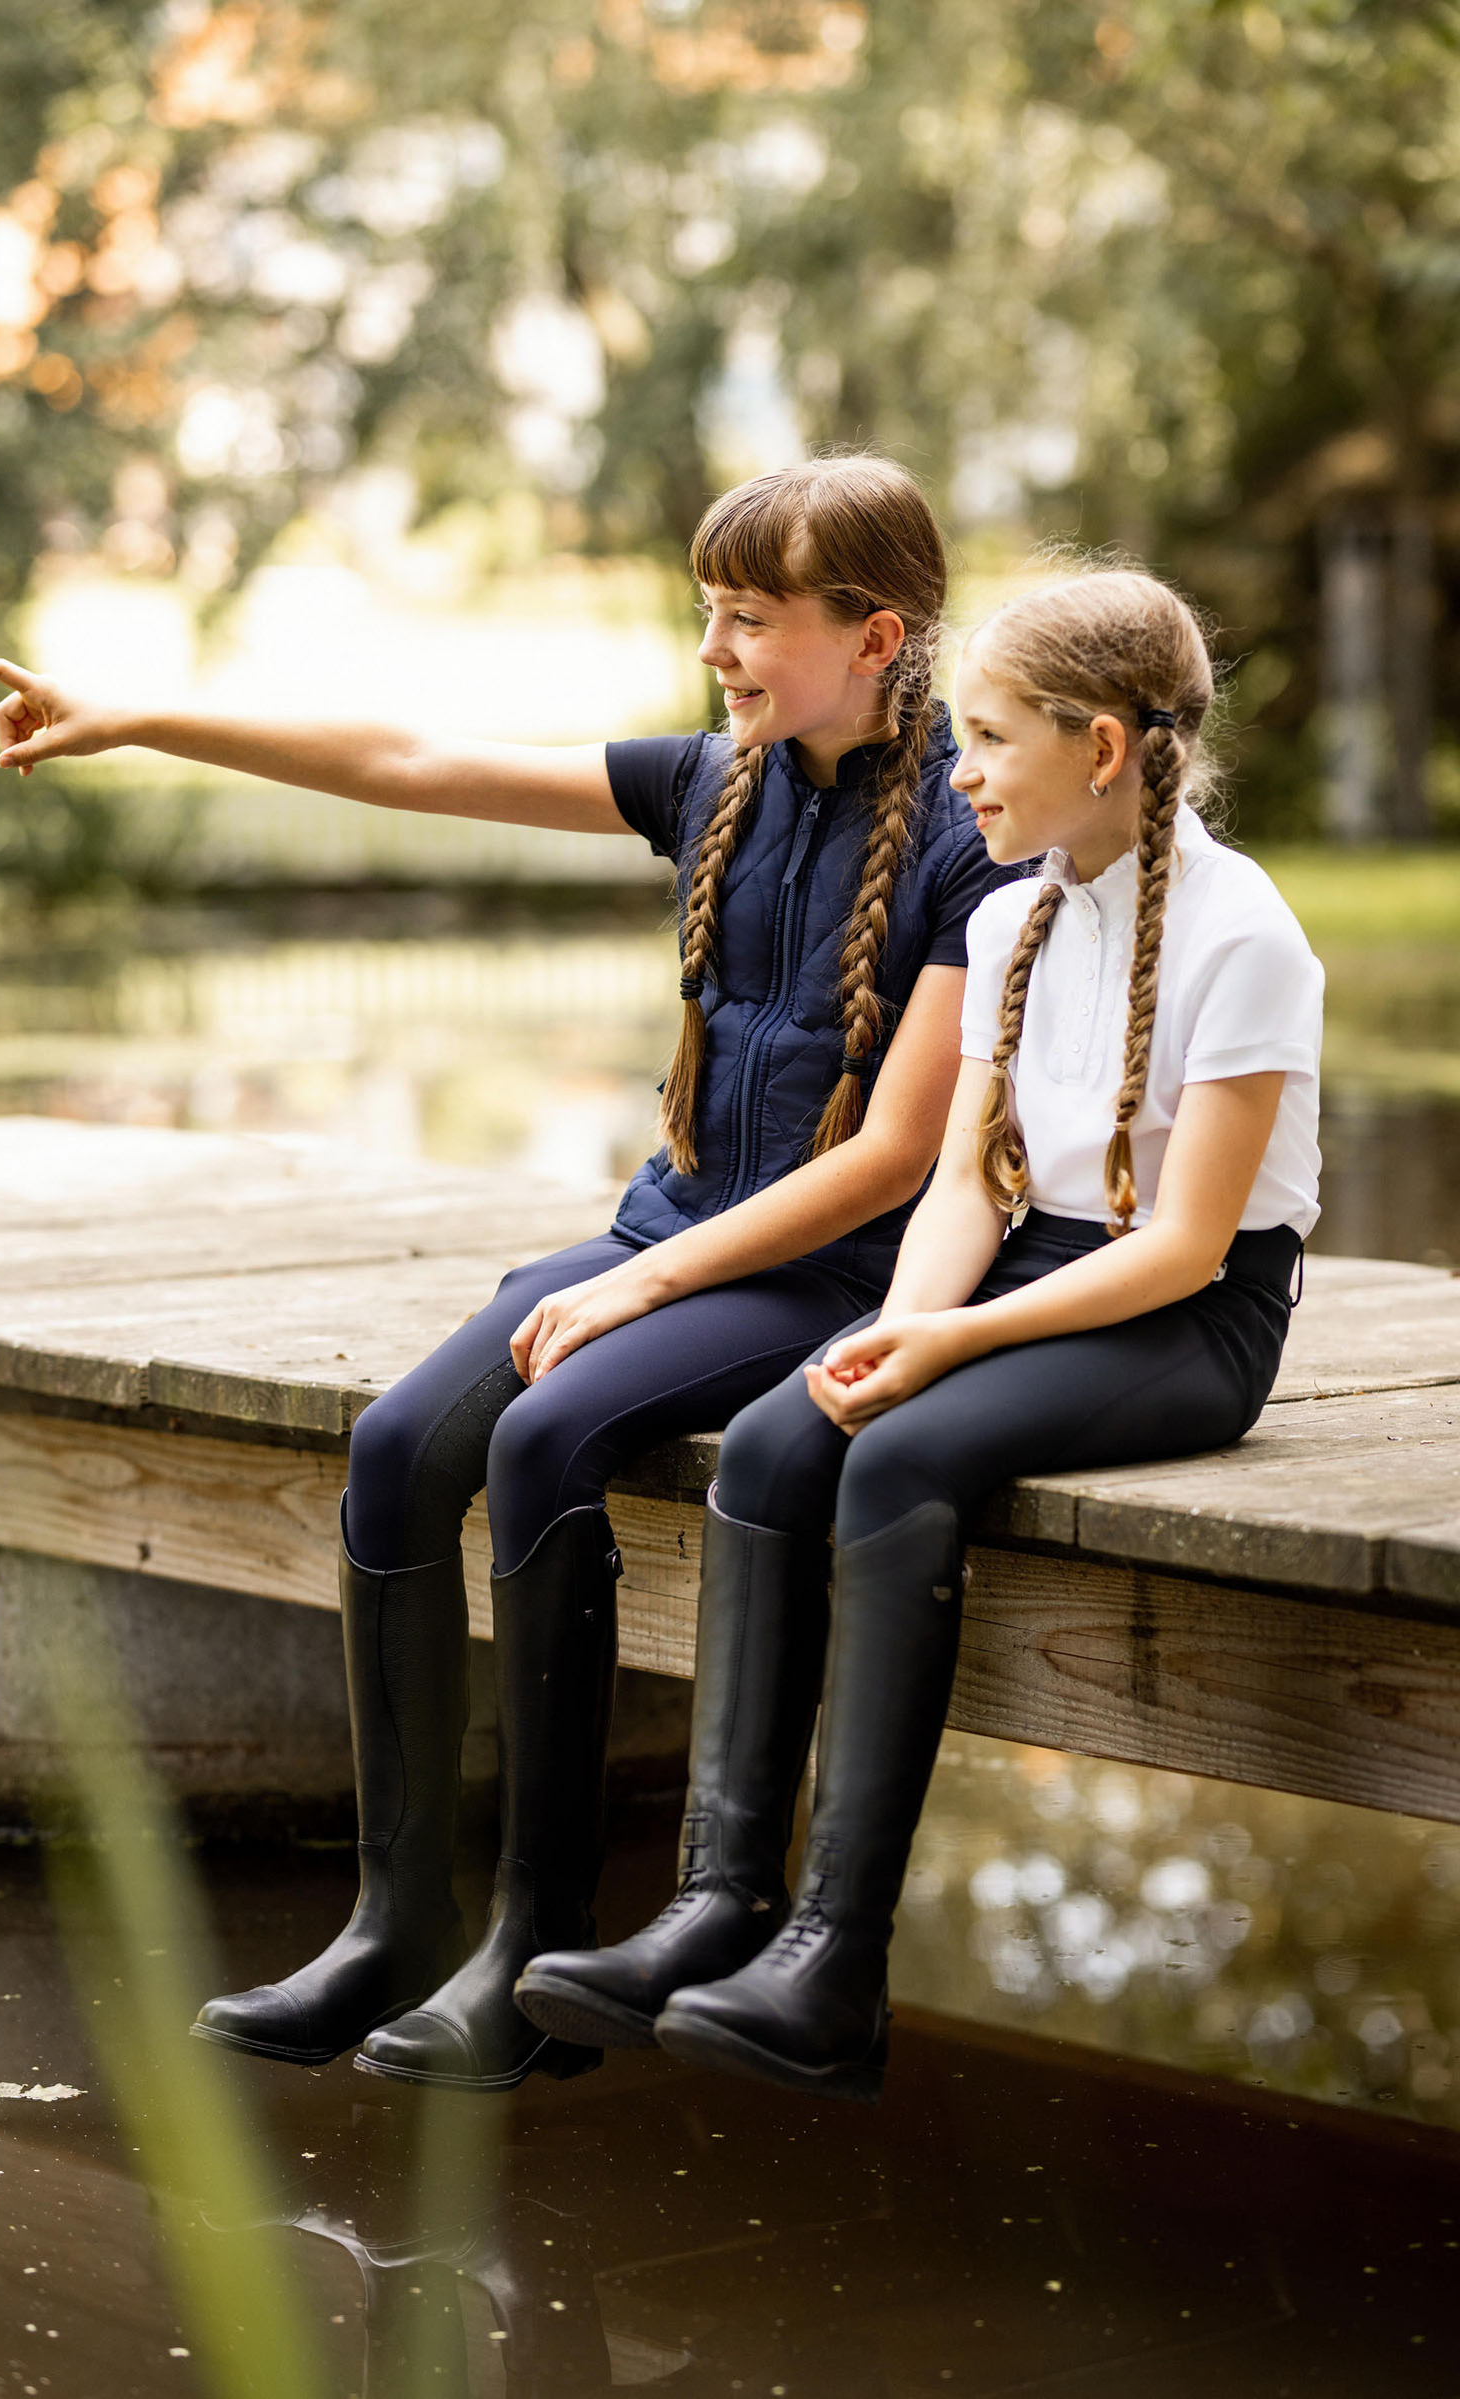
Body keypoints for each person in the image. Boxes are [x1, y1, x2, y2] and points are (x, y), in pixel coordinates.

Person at [0, 454, 1019, 2092]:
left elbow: (889, 1160)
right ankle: (397, 1920)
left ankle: (535, 1952)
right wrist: (143, 717)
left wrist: (639, 1293)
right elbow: (412, 757)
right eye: (707, 615)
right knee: (394, 1450)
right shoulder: (715, 782)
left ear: (876, 635)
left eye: (750, 618)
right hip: (670, 1230)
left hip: (839, 1269)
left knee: (542, 1440)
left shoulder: (971, 830)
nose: (718, 650)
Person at [517, 566, 1323, 2102]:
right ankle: (714, 1905)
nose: (955, 772)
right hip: (1026, 1272)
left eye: (989, 739)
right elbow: (964, 1178)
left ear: (1101, 749)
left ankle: (838, 1960)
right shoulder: (1015, 916)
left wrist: (946, 1357)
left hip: (1187, 1315)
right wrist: (902, 1324)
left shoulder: (1246, 937)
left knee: (900, 1467)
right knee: (778, 1433)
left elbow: (1188, 1245)